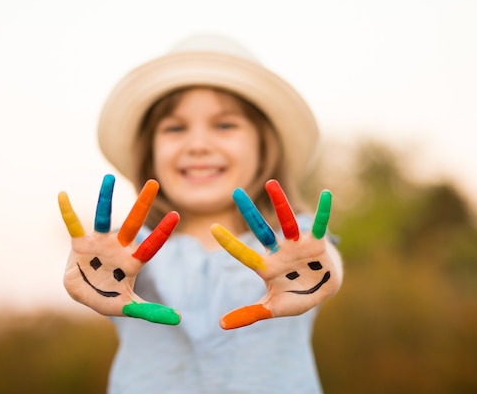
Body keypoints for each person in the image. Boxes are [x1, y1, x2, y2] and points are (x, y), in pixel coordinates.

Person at [58, 34, 344, 394]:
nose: (198, 145)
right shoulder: (128, 251)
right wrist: (91, 275)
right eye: (175, 128)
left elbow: (325, 263)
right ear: (150, 153)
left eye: (225, 125)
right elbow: (98, 272)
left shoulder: (294, 244)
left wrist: (325, 268)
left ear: (263, 145)